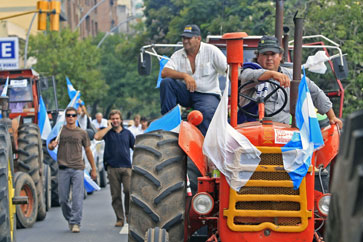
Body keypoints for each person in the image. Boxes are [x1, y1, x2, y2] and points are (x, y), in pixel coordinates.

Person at [238, 35, 343, 129]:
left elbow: (315, 92)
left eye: (273, 54)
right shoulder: (249, 71)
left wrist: (332, 117)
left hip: (282, 131)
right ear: (258, 56)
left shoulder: (293, 76)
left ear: (280, 56)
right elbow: (250, 75)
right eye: (265, 54)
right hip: (252, 129)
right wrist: (272, 74)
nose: (269, 58)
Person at [160, 24, 228, 135]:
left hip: (207, 94)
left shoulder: (211, 51)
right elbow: (164, 73)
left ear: (198, 39)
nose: (185, 41)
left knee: (206, 113)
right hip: (187, 93)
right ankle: (169, 124)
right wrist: (185, 76)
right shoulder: (178, 55)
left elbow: (229, 69)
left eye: (189, 38)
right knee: (166, 83)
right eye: (184, 38)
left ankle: (205, 147)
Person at [48, 107, 97, 233]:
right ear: (65, 117)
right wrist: (52, 145)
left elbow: (88, 151)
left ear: (76, 117)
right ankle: (70, 218)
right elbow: (51, 144)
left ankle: (76, 222)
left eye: (73, 115)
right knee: (63, 199)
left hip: (77, 169)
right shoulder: (60, 130)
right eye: (68, 115)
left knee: (77, 197)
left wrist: (93, 169)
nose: (71, 117)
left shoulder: (82, 133)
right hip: (63, 168)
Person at [94, 110, 135, 227]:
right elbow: (97, 136)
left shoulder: (127, 133)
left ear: (121, 120)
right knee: (115, 195)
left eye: (117, 118)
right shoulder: (107, 133)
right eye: (113, 119)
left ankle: (128, 214)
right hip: (112, 168)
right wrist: (108, 127)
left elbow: (135, 147)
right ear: (110, 121)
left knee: (128, 191)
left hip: (127, 167)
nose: (115, 121)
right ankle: (120, 218)